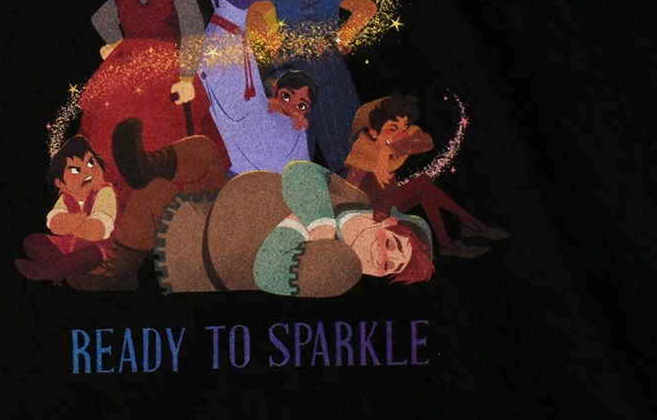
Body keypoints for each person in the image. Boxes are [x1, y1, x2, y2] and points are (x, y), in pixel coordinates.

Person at [54, 119, 434, 294]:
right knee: (202, 150)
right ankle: (145, 166)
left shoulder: (339, 270)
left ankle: (118, 274)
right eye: (393, 247)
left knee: (154, 197)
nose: (381, 259)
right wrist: (318, 219)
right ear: (386, 225)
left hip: (210, 247)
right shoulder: (356, 201)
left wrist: (299, 224)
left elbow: (269, 272)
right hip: (222, 202)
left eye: (390, 268)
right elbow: (300, 172)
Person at [75, 0, 223, 187]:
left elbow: (192, 34)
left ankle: (159, 178)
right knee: (111, 123)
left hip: (164, 73)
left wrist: (186, 78)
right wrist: (116, 43)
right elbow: (101, 18)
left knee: (162, 129)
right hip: (125, 72)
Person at [191, 0, 308, 174]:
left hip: (241, 44)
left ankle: (268, 166)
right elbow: (242, 1)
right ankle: (241, 168)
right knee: (231, 110)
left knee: (253, 105)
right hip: (220, 45)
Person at [270, 0, 377, 170]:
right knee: (294, 147)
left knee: (344, 143)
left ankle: (350, 192)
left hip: (331, 71)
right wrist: (270, 39)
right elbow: (252, 14)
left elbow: (366, 7)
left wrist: (344, 37)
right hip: (292, 74)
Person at [345, 94, 511, 259]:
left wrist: (388, 149)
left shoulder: (401, 139)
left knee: (424, 187)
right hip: (371, 213)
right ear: (374, 132)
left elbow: (426, 141)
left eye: (404, 128)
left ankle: (455, 236)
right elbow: (348, 192)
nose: (400, 134)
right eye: (393, 129)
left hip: (391, 201)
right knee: (423, 184)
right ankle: (465, 228)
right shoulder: (363, 149)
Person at [15, 136, 116, 282]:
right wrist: (75, 221)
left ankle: (50, 270)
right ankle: (61, 267)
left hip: (96, 249)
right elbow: (55, 223)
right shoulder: (66, 197)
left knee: (92, 254)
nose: (87, 171)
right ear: (60, 183)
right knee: (32, 241)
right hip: (67, 246)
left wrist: (70, 224)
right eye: (75, 170)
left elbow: (98, 230)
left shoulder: (104, 192)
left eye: (91, 162)